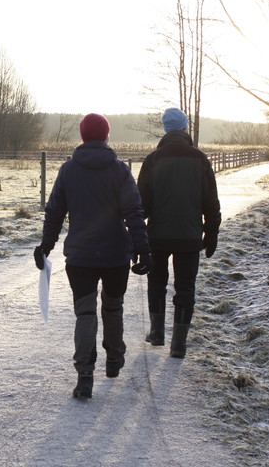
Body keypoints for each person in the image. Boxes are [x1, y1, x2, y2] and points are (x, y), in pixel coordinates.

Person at [34, 113, 152, 399]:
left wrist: (46, 246)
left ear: (83, 136)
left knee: (85, 312)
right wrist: (142, 249)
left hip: (81, 256)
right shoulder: (120, 171)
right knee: (113, 307)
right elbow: (134, 213)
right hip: (115, 254)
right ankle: (114, 357)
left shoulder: (69, 170)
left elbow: (55, 213)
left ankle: (85, 374)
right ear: (107, 135)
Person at [137, 107, 221, 359]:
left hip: (158, 235)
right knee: (185, 287)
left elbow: (141, 204)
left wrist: (137, 237)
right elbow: (211, 202)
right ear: (184, 128)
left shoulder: (153, 160)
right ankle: (179, 345)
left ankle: (157, 333)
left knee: (157, 282)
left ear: (165, 129)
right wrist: (211, 233)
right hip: (189, 235)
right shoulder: (200, 159)